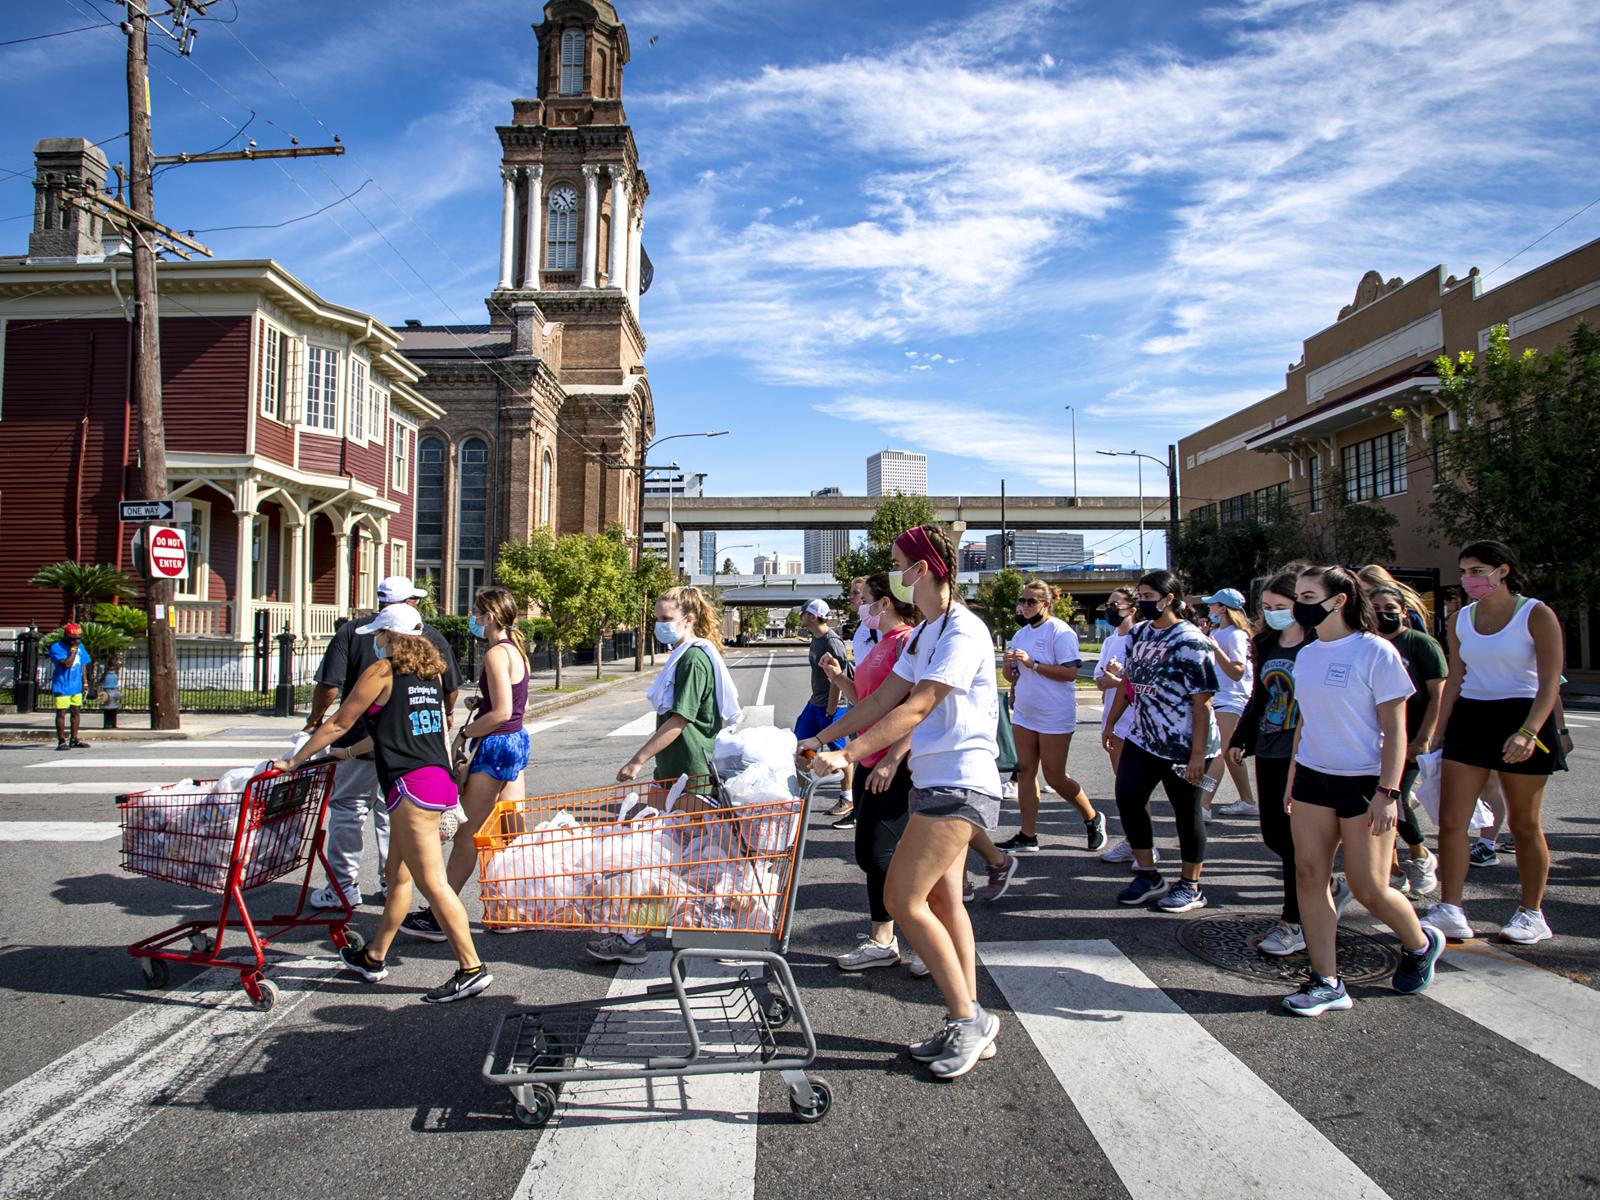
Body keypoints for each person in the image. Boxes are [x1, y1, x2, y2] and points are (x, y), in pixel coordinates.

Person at [802, 524, 1003, 1081]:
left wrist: (852, 756)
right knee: (942, 902)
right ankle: (969, 1015)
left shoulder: (964, 631)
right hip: (934, 781)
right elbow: (884, 697)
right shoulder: (927, 632)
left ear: (926, 568)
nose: (893, 574)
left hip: (962, 781)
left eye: (898, 563)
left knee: (902, 896)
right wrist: (826, 739)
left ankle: (968, 1018)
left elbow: (916, 708)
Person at [276, 604, 492, 1003]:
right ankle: (374, 956)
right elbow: (388, 733)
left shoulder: (383, 671)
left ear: (391, 637)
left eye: (379, 635)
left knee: (433, 884)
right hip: (435, 781)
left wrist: (295, 759)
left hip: (412, 787)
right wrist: (345, 754)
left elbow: (339, 721)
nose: (375, 641)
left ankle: (471, 968)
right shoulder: (429, 675)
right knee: (397, 877)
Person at [1281, 566, 1444, 1016]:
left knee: (1369, 887)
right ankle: (1326, 981)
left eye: (1308, 594)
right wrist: (1294, 777)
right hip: (1314, 778)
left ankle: (1419, 943)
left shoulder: (1377, 652)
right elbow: (1305, 721)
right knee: (1309, 877)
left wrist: (1388, 793)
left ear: (1338, 601)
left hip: (1365, 783)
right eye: (1298, 595)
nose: (1299, 603)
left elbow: (1397, 730)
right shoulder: (1309, 653)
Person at [589, 585, 742, 964]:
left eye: (664, 619)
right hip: (676, 772)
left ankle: (640, 935)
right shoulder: (684, 655)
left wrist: (637, 759)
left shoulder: (693, 660)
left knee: (672, 863)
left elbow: (680, 719)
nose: (658, 625)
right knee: (671, 861)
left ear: (688, 620)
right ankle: (637, 934)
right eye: (657, 618)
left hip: (689, 774)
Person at [1424, 541, 1566, 945]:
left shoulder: (1535, 613)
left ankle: (1531, 913)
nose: (1470, 579)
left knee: (1523, 824)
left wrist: (1529, 731)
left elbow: (1551, 680)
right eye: (1465, 571)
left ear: (1503, 571)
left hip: (1521, 716)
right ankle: (1450, 907)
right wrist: (1439, 729)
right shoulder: (1460, 619)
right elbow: (1455, 678)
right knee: (1452, 820)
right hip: (1472, 715)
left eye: (1478, 570)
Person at [302, 577, 462, 910]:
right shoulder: (427, 637)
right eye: (414, 600)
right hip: (404, 748)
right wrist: (444, 715)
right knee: (390, 814)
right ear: (409, 603)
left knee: (348, 811)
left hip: (359, 742)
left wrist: (314, 721)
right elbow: (450, 687)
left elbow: (329, 686)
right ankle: (393, 883)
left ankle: (343, 886)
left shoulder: (352, 632)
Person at [401, 586, 530, 942]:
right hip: (516, 743)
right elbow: (515, 706)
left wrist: (465, 733)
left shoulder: (495, 655)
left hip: (495, 745)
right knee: (506, 834)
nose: (473, 618)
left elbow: (502, 712)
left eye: (476, 612)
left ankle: (440, 916)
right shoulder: (517, 650)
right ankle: (507, 910)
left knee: (468, 836)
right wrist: (483, 701)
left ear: (489, 617)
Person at [819, 573, 921, 973]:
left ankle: (889, 939)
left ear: (887, 603)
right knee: (871, 853)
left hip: (893, 764)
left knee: (880, 853)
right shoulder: (880, 644)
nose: (861, 606)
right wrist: (838, 679)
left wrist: (894, 757)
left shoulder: (906, 641)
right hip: (867, 760)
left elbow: (917, 709)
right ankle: (896, 937)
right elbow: (871, 703)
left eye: (868, 600)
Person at [1102, 571, 1217, 913]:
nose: (1144, 602)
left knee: (1186, 812)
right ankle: (1148, 874)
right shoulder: (1139, 633)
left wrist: (1197, 755)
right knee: (1128, 797)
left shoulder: (1190, 639)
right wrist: (1110, 724)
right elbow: (1129, 683)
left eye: (1150, 596)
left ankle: (1191, 884)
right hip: (1144, 736)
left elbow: (1203, 701)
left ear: (1169, 599)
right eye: (1141, 596)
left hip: (1183, 743)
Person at [1228, 572, 1319, 956]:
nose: (1274, 614)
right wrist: (1239, 738)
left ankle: (1294, 920)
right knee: (1274, 837)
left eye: (1281, 607)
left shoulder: (1320, 643)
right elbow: (1259, 697)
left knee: (1297, 841)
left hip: (1307, 753)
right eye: (1267, 608)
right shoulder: (1266, 641)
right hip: (1268, 748)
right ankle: (1317, 890)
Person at [996, 579, 1106, 853]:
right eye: (1022, 601)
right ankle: (1027, 835)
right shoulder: (1020, 635)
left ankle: (1092, 818)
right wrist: (1010, 667)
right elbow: (1013, 676)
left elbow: (1070, 672)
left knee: (1055, 777)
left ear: (1046, 604)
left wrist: (1033, 663)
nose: (1024, 606)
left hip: (1054, 713)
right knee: (1025, 773)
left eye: (1031, 602)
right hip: (1024, 712)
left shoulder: (1060, 631)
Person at [1368, 585, 1445, 898]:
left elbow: (1438, 695)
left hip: (1409, 740)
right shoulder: (1366, 645)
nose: (1383, 613)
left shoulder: (1421, 644)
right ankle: (1391, 869)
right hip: (1373, 742)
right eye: (1376, 607)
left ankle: (1420, 855)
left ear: (1403, 610)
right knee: (1373, 806)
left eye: (1390, 607)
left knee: (1395, 800)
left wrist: (1424, 737)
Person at [1095, 588, 1152, 866]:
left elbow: (1139, 683)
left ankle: (1145, 845)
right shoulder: (1109, 642)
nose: (1110, 609)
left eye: (1115, 604)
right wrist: (1113, 679)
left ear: (1132, 608)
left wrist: (1118, 679)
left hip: (1138, 725)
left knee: (1137, 790)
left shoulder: (1141, 636)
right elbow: (1100, 681)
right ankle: (1132, 841)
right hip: (1114, 724)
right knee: (1124, 788)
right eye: (1108, 604)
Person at [797, 599, 855, 822]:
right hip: (815, 703)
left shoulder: (832, 643)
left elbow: (839, 680)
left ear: (812, 616)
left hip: (833, 707)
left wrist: (830, 712)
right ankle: (801, 796)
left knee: (841, 753)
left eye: (803, 613)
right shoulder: (815, 638)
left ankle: (847, 796)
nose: (800, 616)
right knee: (801, 745)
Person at [1201, 588, 1256, 819]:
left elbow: (1237, 671)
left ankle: (1202, 805)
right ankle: (1248, 801)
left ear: (1223, 608)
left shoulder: (1235, 635)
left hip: (1232, 699)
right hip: (1220, 698)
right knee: (1228, 753)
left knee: (1217, 753)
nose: (1209, 608)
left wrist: (1214, 648)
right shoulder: (1219, 632)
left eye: (1213, 604)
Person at [48, 623, 91, 751]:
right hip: (62, 684)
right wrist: (73, 650)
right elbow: (66, 664)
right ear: (66, 636)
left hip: (76, 685)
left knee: (75, 712)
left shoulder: (80, 646)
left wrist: (85, 682)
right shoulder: (56, 647)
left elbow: (82, 664)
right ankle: (61, 741)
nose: (76, 641)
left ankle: (74, 739)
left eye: (79, 638)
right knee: (61, 713)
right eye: (73, 638)